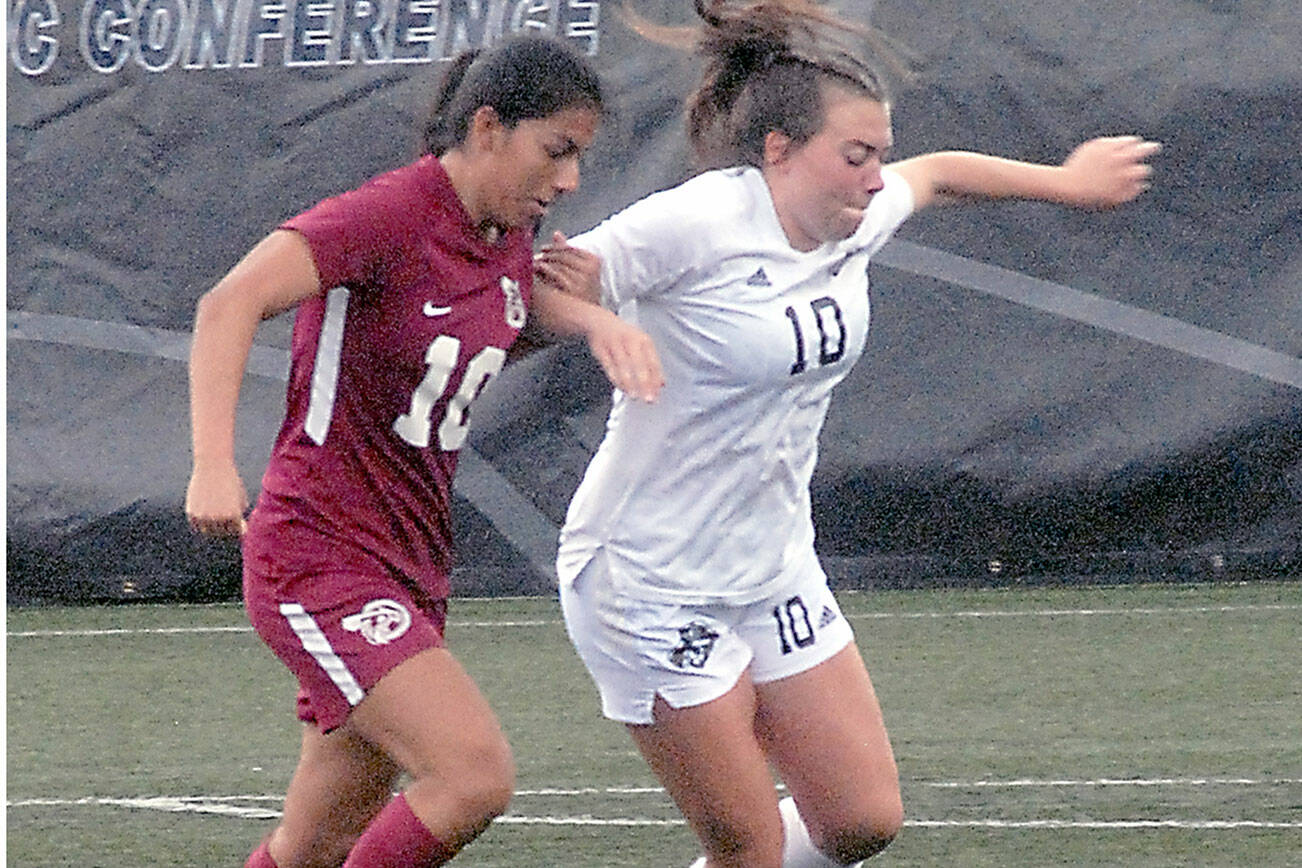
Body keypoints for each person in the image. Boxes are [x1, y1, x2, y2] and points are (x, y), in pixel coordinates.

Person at [549, 2, 1161, 867]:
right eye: (856, 155)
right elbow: (543, 288)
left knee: (859, 820)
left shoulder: (853, 212)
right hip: (647, 581)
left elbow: (938, 173)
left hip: (770, 566)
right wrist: (597, 322)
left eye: (878, 153)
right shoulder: (697, 223)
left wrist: (1070, 183)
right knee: (751, 850)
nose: (876, 179)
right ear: (778, 151)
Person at [184, 34, 656, 868]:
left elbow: (475, 334)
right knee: (472, 776)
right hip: (319, 554)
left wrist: (586, 319)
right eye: (557, 150)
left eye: (579, 157)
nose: (570, 180)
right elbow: (230, 301)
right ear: (486, 127)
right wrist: (213, 465)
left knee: (316, 843)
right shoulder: (387, 215)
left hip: (409, 562)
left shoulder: (501, 234)